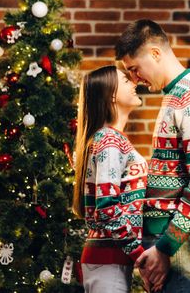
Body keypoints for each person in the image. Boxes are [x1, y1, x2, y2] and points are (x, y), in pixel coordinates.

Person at [115, 19, 190, 293]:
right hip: (167, 240)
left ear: (155, 53)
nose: (136, 79)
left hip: (177, 243)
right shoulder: (174, 95)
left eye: (135, 69)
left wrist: (164, 248)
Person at [72, 65, 148, 292]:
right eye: (126, 81)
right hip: (108, 258)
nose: (134, 84)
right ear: (112, 95)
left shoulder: (111, 139)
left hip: (109, 258)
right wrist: (139, 254)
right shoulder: (110, 141)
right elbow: (106, 208)